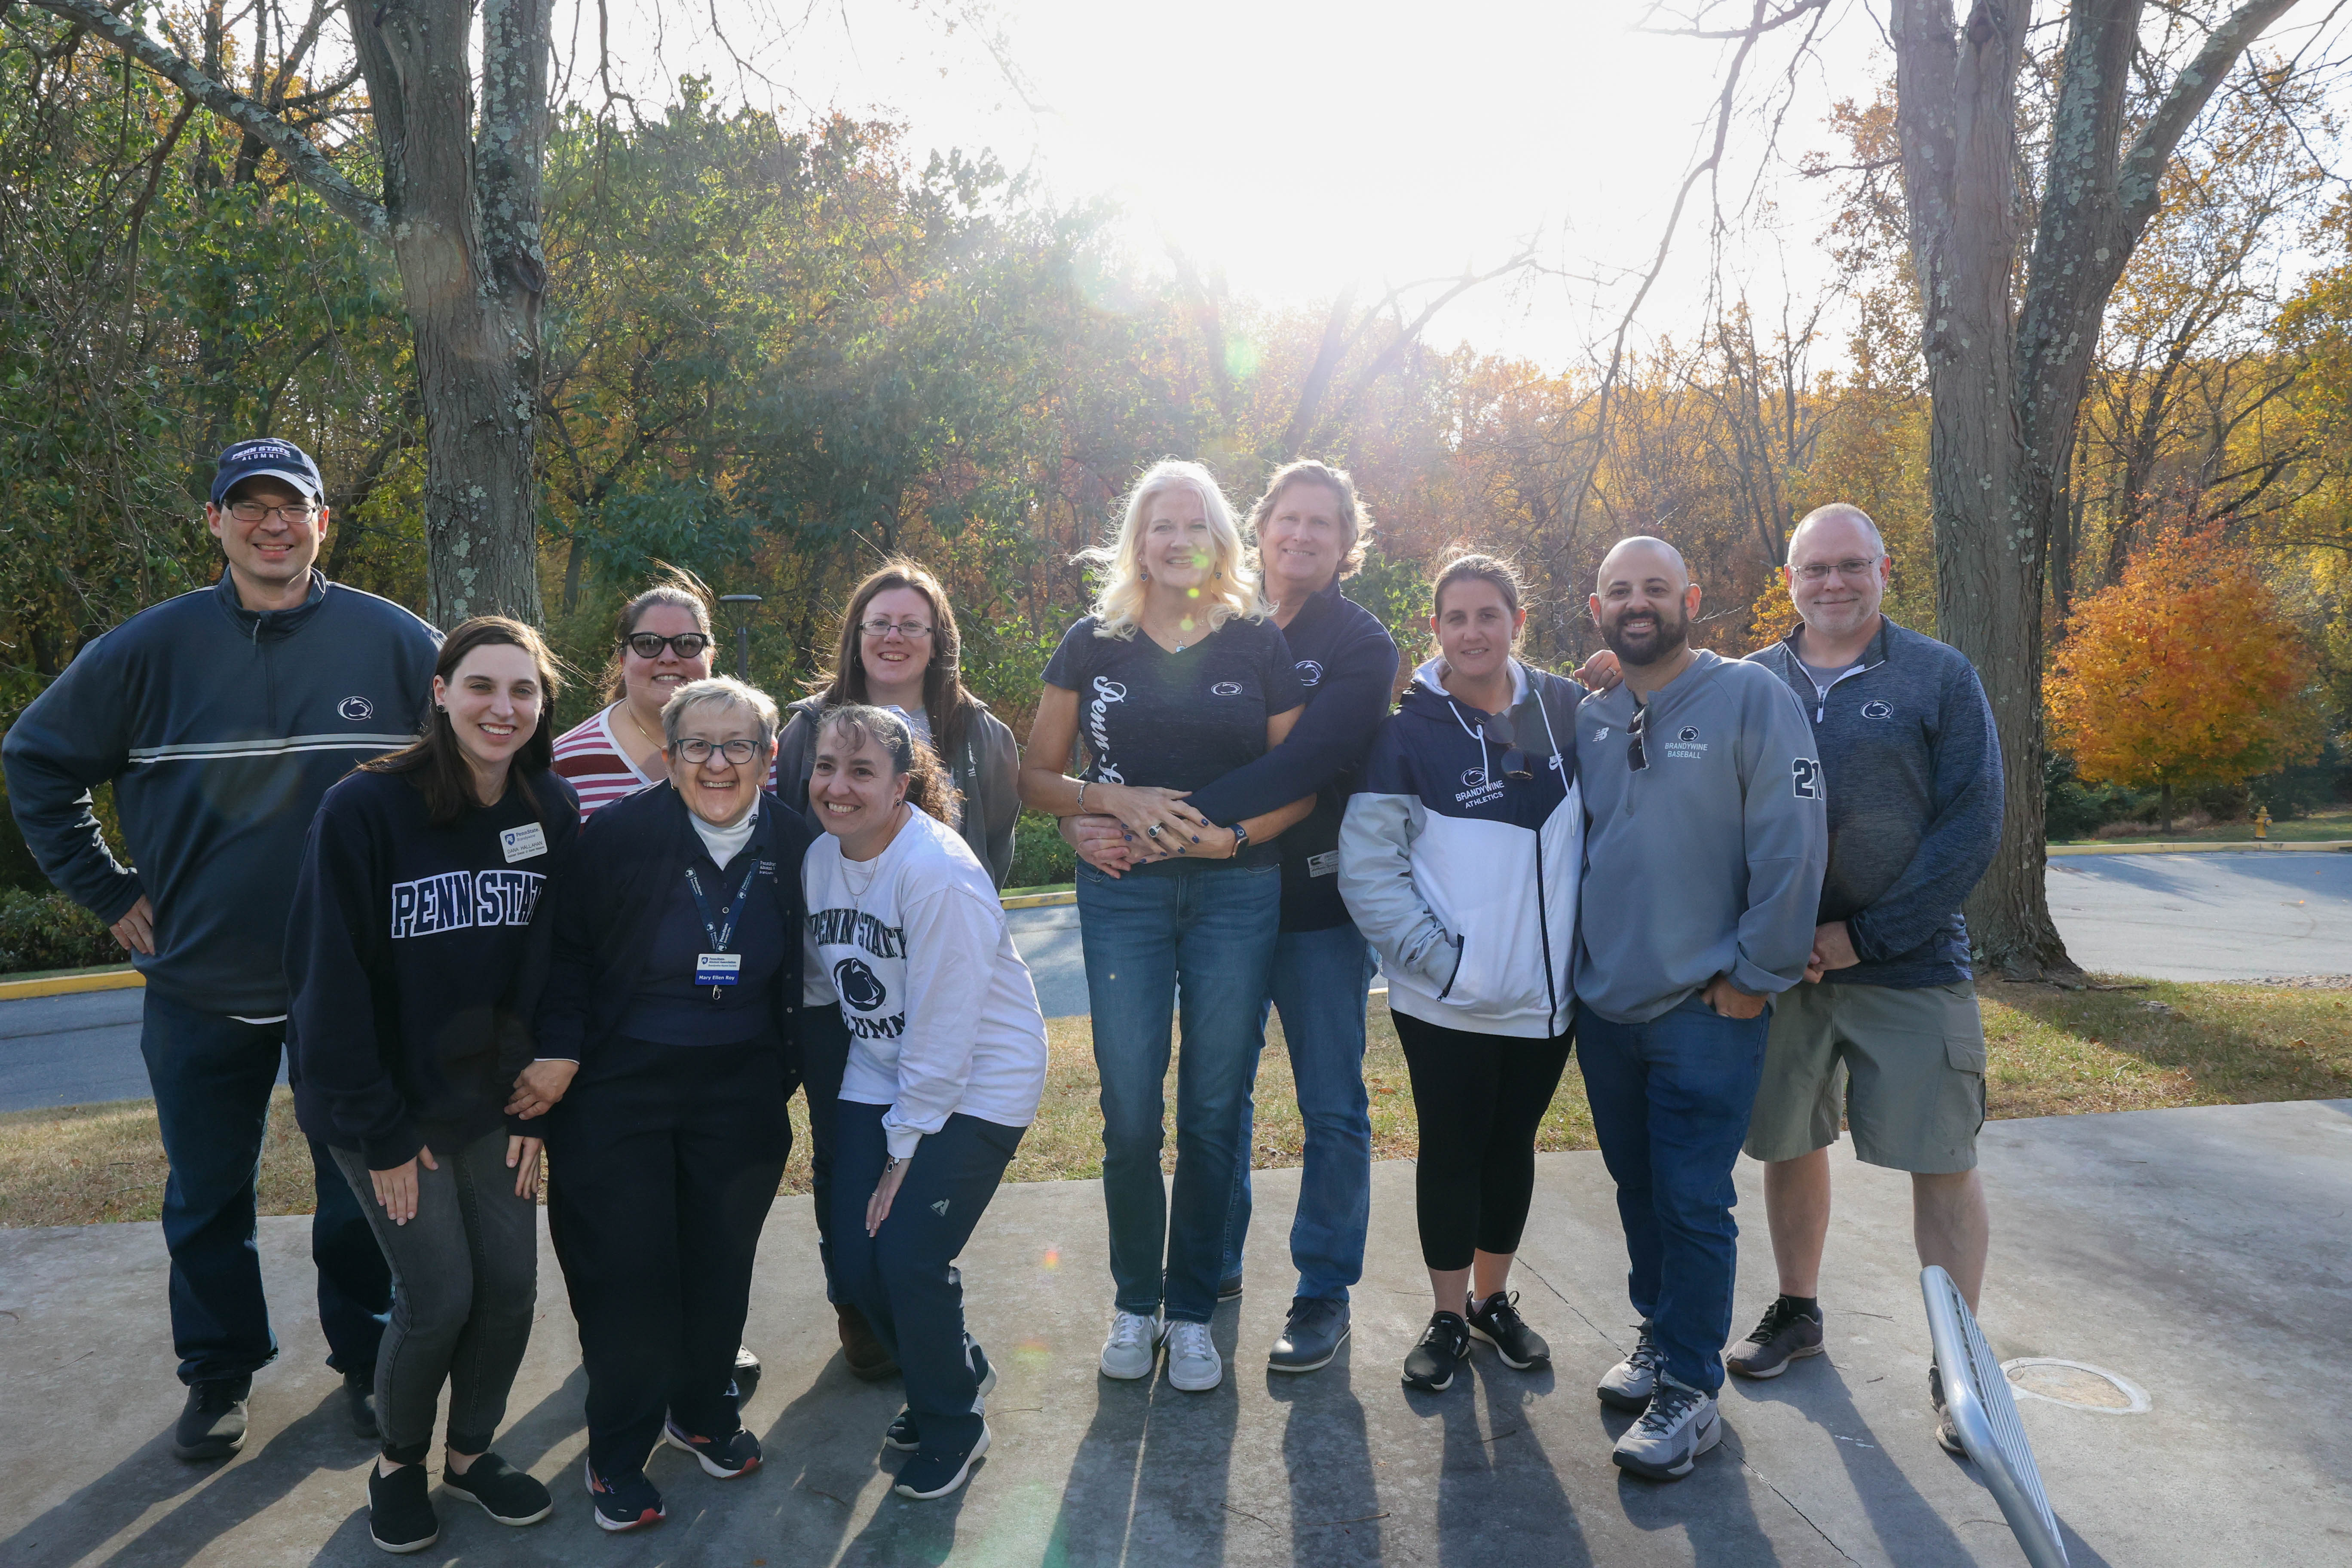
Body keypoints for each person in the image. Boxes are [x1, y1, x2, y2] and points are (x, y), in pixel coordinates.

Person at [3, 438, 437, 1461]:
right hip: (201, 981)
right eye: (248, 507)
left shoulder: (395, 640)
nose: (272, 524)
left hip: (356, 984)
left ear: (323, 521)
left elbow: (473, 757)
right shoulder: (145, 651)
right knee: (206, 1194)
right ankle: (219, 1373)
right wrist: (108, 890)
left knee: (361, 1187)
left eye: (293, 506)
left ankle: (367, 1361)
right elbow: (35, 759)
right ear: (215, 523)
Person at [1063, 459, 1396, 1372]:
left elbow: (1314, 760)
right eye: (1288, 519)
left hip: (1310, 900)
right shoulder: (1197, 624)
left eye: (1322, 525)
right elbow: (1084, 751)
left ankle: (1322, 1292)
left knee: (1330, 1104)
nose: (1302, 537)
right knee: (1222, 1099)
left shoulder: (1357, 643)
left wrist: (1164, 816)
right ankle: (1206, 1273)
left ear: (1345, 542)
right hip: (1217, 895)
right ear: (1262, 528)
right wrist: (1100, 811)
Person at [1018, 458, 1312, 1395]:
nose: (1177, 540)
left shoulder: (1257, 641)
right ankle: (1134, 1303)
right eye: (1159, 525)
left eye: (1195, 524)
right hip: (1124, 898)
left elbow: (1298, 781)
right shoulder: (1092, 641)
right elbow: (1035, 778)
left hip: (1237, 893)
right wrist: (1105, 799)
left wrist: (1230, 840)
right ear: (1137, 542)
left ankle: (1192, 1313)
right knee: (1131, 1114)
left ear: (1221, 540)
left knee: (1216, 1112)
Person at [287, 618, 576, 1552]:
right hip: (386, 1103)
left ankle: (471, 1457)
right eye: (483, 686)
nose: (505, 708)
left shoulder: (548, 808)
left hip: (497, 1102)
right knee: (440, 1294)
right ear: (442, 693)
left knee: (511, 1290)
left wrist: (551, 1073)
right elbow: (327, 989)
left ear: (541, 706)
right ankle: (400, 1463)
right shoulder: (365, 810)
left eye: (523, 691)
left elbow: (565, 958)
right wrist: (381, 1134)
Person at [1729, 503, 2002, 1456]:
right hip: (1782, 967)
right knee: (1786, 1141)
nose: (1834, 584)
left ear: (1884, 570)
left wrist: (1865, 935)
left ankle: (1958, 1361)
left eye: (1852, 566)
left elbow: (1972, 823)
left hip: (1912, 965)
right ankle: (1798, 1312)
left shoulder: (1939, 677)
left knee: (1942, 1157)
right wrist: (1777, 937)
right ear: (1790, 577)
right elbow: (1712, 811)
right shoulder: (1749, 682)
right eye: (1816, 569)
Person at [518, 677, 812, 1531]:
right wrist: (560, 1057)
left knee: (719, 1267)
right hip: (620, 1090)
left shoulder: (798, 842)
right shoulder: (613, 836)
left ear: (769, 757)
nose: (718, 763)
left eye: (738, 746)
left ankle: (703, 1409)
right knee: (629, 1278)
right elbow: (563, 960)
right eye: (698, 746)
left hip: (742, 1089)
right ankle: (615, 1453)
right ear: (670, 755)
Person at [1572, 536, 1827, 1483]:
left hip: (1706, 1005)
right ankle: (1660, 1334)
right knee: (1639, 1190)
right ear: (1596, 608)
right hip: (1607, 1006)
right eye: (1617, 592)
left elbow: (1793, 842)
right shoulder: (1592, 713)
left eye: (1654, 589)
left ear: (1691, 596)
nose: (1637, 605)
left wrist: (1756, 974)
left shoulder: (1753, 696)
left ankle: (1690, 1390)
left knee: (1692, 1198)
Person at [1338, 553, 1583, 1393]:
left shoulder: (1567, 708)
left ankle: (1491, 1301)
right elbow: (1369, 872)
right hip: (1446, 1003)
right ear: (1435, 631)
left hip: (1549, 1005)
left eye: (1490, 615)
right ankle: (1446, 1317)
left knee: (1511, 1149)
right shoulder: (1405, 735)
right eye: (1457, 618)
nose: (1474, 631)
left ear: (1518, 622)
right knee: (1451, 1152)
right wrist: (1447, 966)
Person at [548, 571, 798, 1389]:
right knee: (629, 1239)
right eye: (648, 643)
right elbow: (559, 928)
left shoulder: (763, 786)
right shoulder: (565, 763)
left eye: (687, 643)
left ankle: (702, 1366)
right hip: (620, 1039)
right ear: (619, 657)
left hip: (731, 1050)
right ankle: (629, 1375)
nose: (668, 656)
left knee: (714, 1225)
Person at [802, 705, 1047, 1500]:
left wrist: (902, 1148)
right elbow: (833, 988)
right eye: (826, 768)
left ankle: (952, 1421)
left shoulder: (935, 871)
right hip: (885, 1071)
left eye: (861, 771)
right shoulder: (819, 861)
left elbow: (947, 1027)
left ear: (902, 785)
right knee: (854, 1256)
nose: (838, 788)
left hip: (980, 1079)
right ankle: (957, 1363)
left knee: (907, 1252)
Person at [775, 560, 1023, 887]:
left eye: (911, 626)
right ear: (858, 637)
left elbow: (995, 846)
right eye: (878, 624)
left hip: (944, 928)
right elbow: (783, 836)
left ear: (937, 643)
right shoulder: (807, 729)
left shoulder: (983, 735)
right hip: (830, 930)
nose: (893, 637)